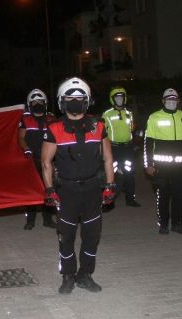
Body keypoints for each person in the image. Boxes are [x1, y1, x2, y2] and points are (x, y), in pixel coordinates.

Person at [41, 77, 116, 295]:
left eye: (79, 98)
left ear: (87, 100)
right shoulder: (54, 128)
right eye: (70, 98)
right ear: (62, 102)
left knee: (92, 235)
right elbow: (46, 162)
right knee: (66, 236)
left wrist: (110, 185)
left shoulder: (98, 125)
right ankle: (68, 276)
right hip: (68, 191)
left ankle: (85, 275)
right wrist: (49, 190)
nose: (75, 101)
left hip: (93, 189)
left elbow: (108, 159)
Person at [143, 88, 182, 235]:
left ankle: (177, 224)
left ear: (178, 101)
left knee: (179, 196)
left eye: (174, 99)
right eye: (169, 99)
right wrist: (148, 164)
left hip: (181, 166)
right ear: (163, 101)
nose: (172, 101)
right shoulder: (154, 117)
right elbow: (148, 143)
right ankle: (164, 224)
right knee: (163, 196)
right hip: (161, 166)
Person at [17, 88, 56, 230]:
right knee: (32, 190)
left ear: (45, 103)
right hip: (31, 159)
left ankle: (48, 218)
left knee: (49, 189)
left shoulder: (51, 118)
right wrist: (26, 148)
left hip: (48, 159)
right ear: (29, 104)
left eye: (40, 102)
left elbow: (57, 137)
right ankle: (30, 220)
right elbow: (20, 138)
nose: (37, 104)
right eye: (34, 102)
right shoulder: (25, 119)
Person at [102, 86, 140, 208]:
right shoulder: (107, 114)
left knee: (129, 172)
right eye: (117, 97)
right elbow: (101, 133)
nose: (120, 99)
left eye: (122, 97)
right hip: (113, 148)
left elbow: (133, 129)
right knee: (111, 174)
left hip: (127, 148)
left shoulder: (129, 113)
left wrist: (135, 142)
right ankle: (109, 199)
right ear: (112, 99)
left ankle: (130, 198)